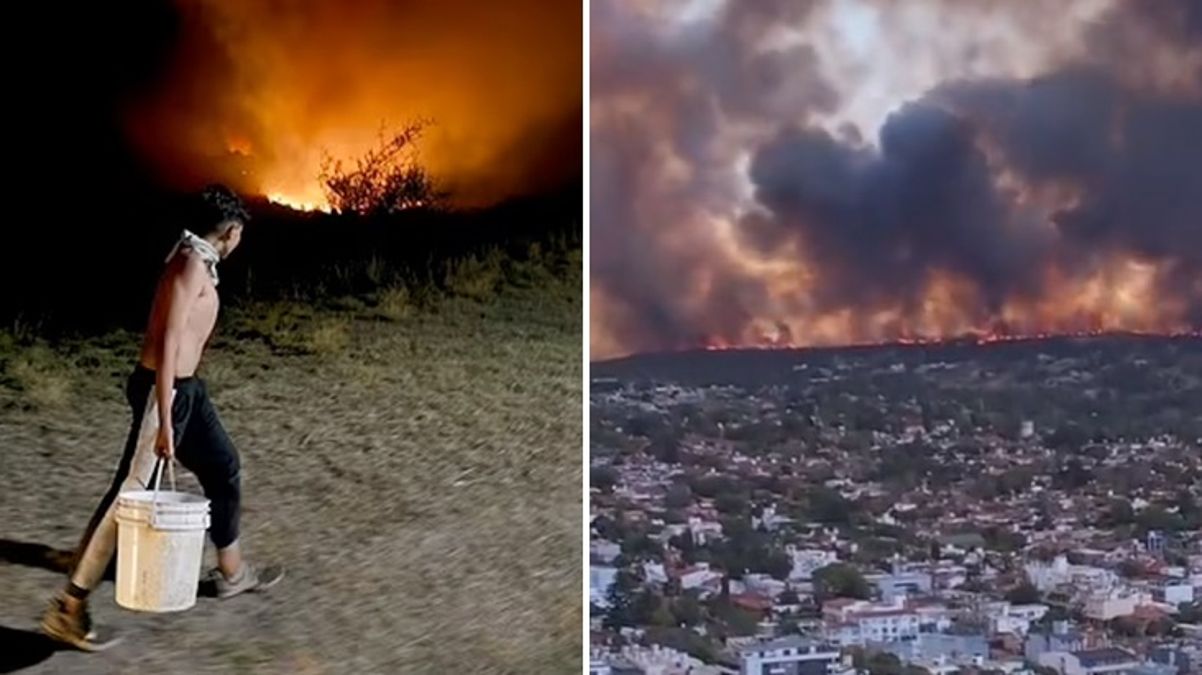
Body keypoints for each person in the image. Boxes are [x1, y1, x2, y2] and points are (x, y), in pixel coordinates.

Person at [41, 184, 284, 651]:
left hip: (186, 392)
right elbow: (170, 342)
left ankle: (232, 572)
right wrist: (168, 423)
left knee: (223, 467)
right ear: (231, 233)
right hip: (166, 394)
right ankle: (68, 609)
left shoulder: (195, 256)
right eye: (240, 235)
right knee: (128, 500)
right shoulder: (191, 263)